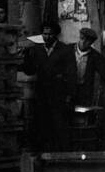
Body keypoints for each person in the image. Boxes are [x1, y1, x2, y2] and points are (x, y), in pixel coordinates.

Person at [21, 22, 75, 152]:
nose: (47, 37)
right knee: (42, 123)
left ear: (56, 35)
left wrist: (69, 95)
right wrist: (26, 55)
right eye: (44, 34)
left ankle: (61, 153)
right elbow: (29, 70)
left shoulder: (65, 50)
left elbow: (72, 73)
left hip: (58, 93)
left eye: (50, 34)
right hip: (42, 93)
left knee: (59, 124)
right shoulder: (37, 50)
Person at [72, 26, 105, 110]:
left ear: (92, 42)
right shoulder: (68, 50)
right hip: (68, 89)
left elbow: (104, 70)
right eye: (82, 38)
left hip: (84, 90)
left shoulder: (95, 56)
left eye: (87, 41)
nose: (83, 42)